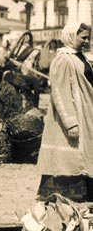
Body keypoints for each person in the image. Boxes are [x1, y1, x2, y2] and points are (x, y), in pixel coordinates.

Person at [36, 22, 93, 200]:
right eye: (83, 37)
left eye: (88, 38)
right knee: (70, 160)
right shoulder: (63, 59)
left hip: (87, 114)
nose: (86, 41)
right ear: (71, 36)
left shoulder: (81, 57)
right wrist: (70, 122)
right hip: (73, 117)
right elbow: (60, 92)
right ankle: (67, 198)